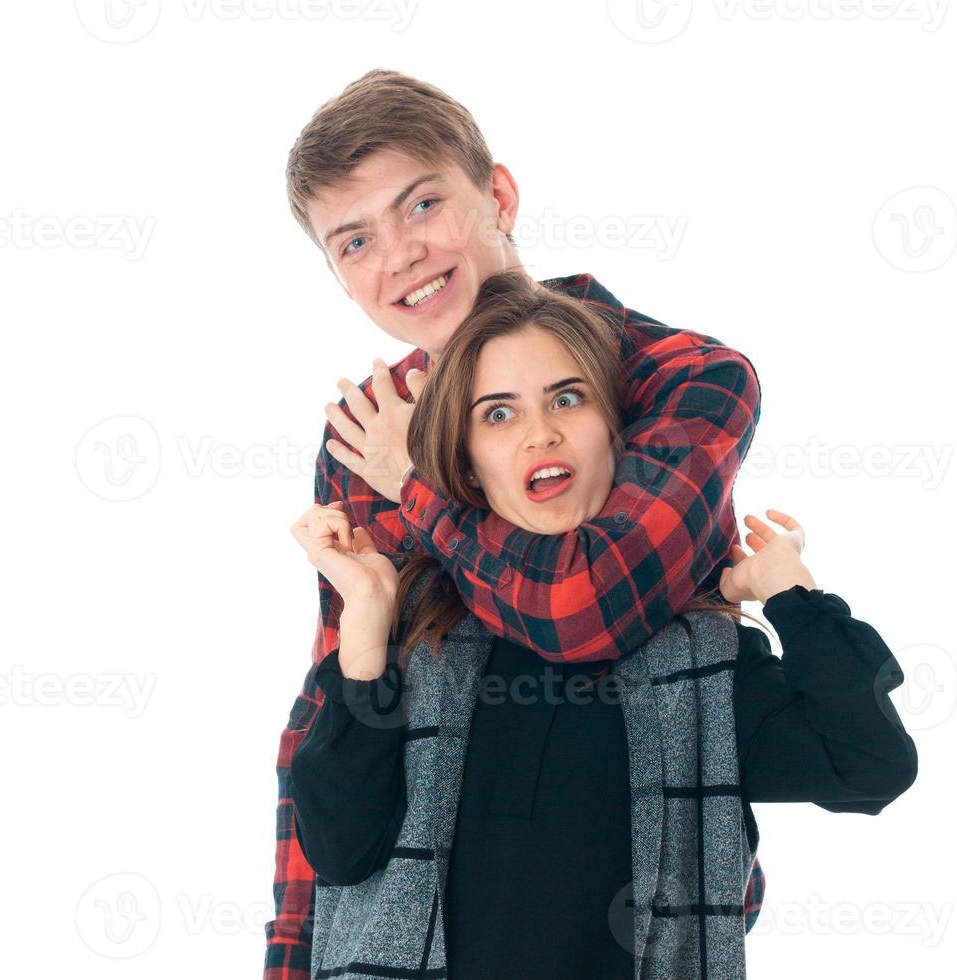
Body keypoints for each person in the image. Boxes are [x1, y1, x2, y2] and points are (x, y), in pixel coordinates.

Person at [268, 70, 764, 978]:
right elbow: (333, 709)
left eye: (422, 204)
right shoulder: (362, 438)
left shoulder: (681, 377)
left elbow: (582, 607)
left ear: (497, 194)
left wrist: (418, 483)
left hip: (631, 931)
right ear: (340, 275)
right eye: (355, 241)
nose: (401, 255)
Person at [287, 272, 918, 978]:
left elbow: (870, 767)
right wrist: (368, 630)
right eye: (498, 414)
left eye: (568, 398)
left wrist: (797, 601)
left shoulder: (702, 663)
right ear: (464, 459)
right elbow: (339, 849)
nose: (541, 432)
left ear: (618, 431)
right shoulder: (417, 636)